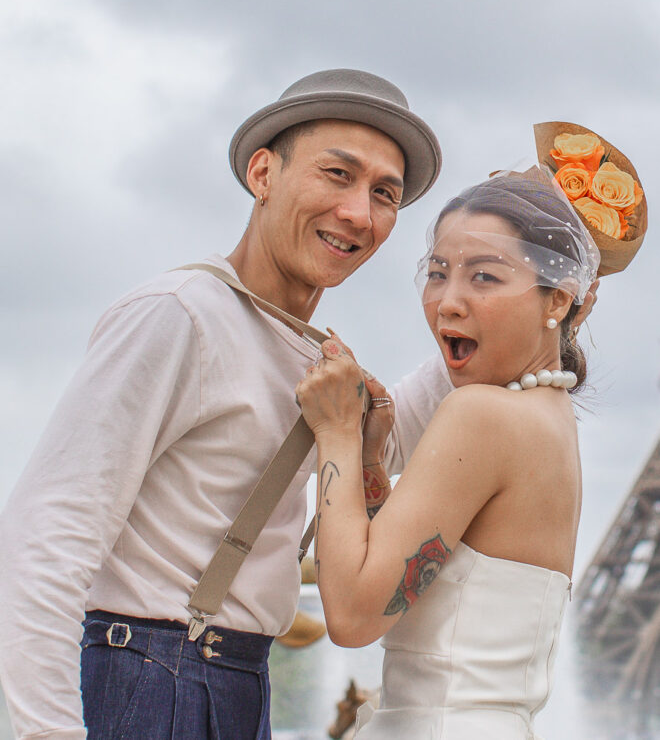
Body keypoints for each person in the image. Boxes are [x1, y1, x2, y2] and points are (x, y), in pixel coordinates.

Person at [0, 69, 450, 740]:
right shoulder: (179, 315)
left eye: (383, 193)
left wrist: (533, 293)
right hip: (152, 675)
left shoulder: (314, 356)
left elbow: (408, 438)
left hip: (239, 682)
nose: (360, 212)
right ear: (263, 173)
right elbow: (45, 539)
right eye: (337, 174)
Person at [296, 168, 601, 739]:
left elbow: (354, 614)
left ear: (557, 300)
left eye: (484, 277)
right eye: (437, 273)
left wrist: (336, 430)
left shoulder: (483, 415)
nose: (447, 302)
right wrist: (366, 461)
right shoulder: (549, 420)